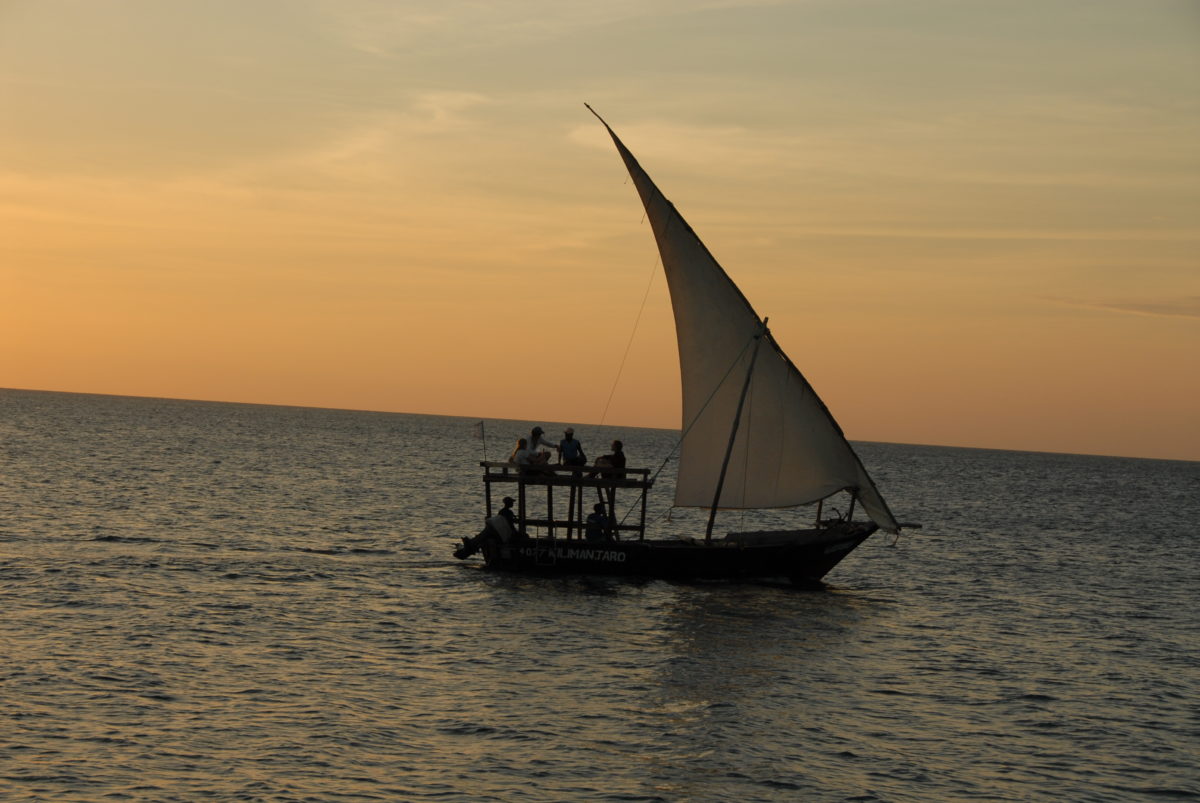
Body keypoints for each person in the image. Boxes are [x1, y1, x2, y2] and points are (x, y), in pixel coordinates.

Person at [455, 496, 520, 559]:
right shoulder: (509, 512)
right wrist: (515, 533)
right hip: (500, 531)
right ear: (508, 503)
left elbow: (501, 521)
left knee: (484, 535)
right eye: (511, 502)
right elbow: (510, 525)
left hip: (496, 529)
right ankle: (471, 544)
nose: (512, 503)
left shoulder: (502, 511)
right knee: (484, 535)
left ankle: (471, 543)